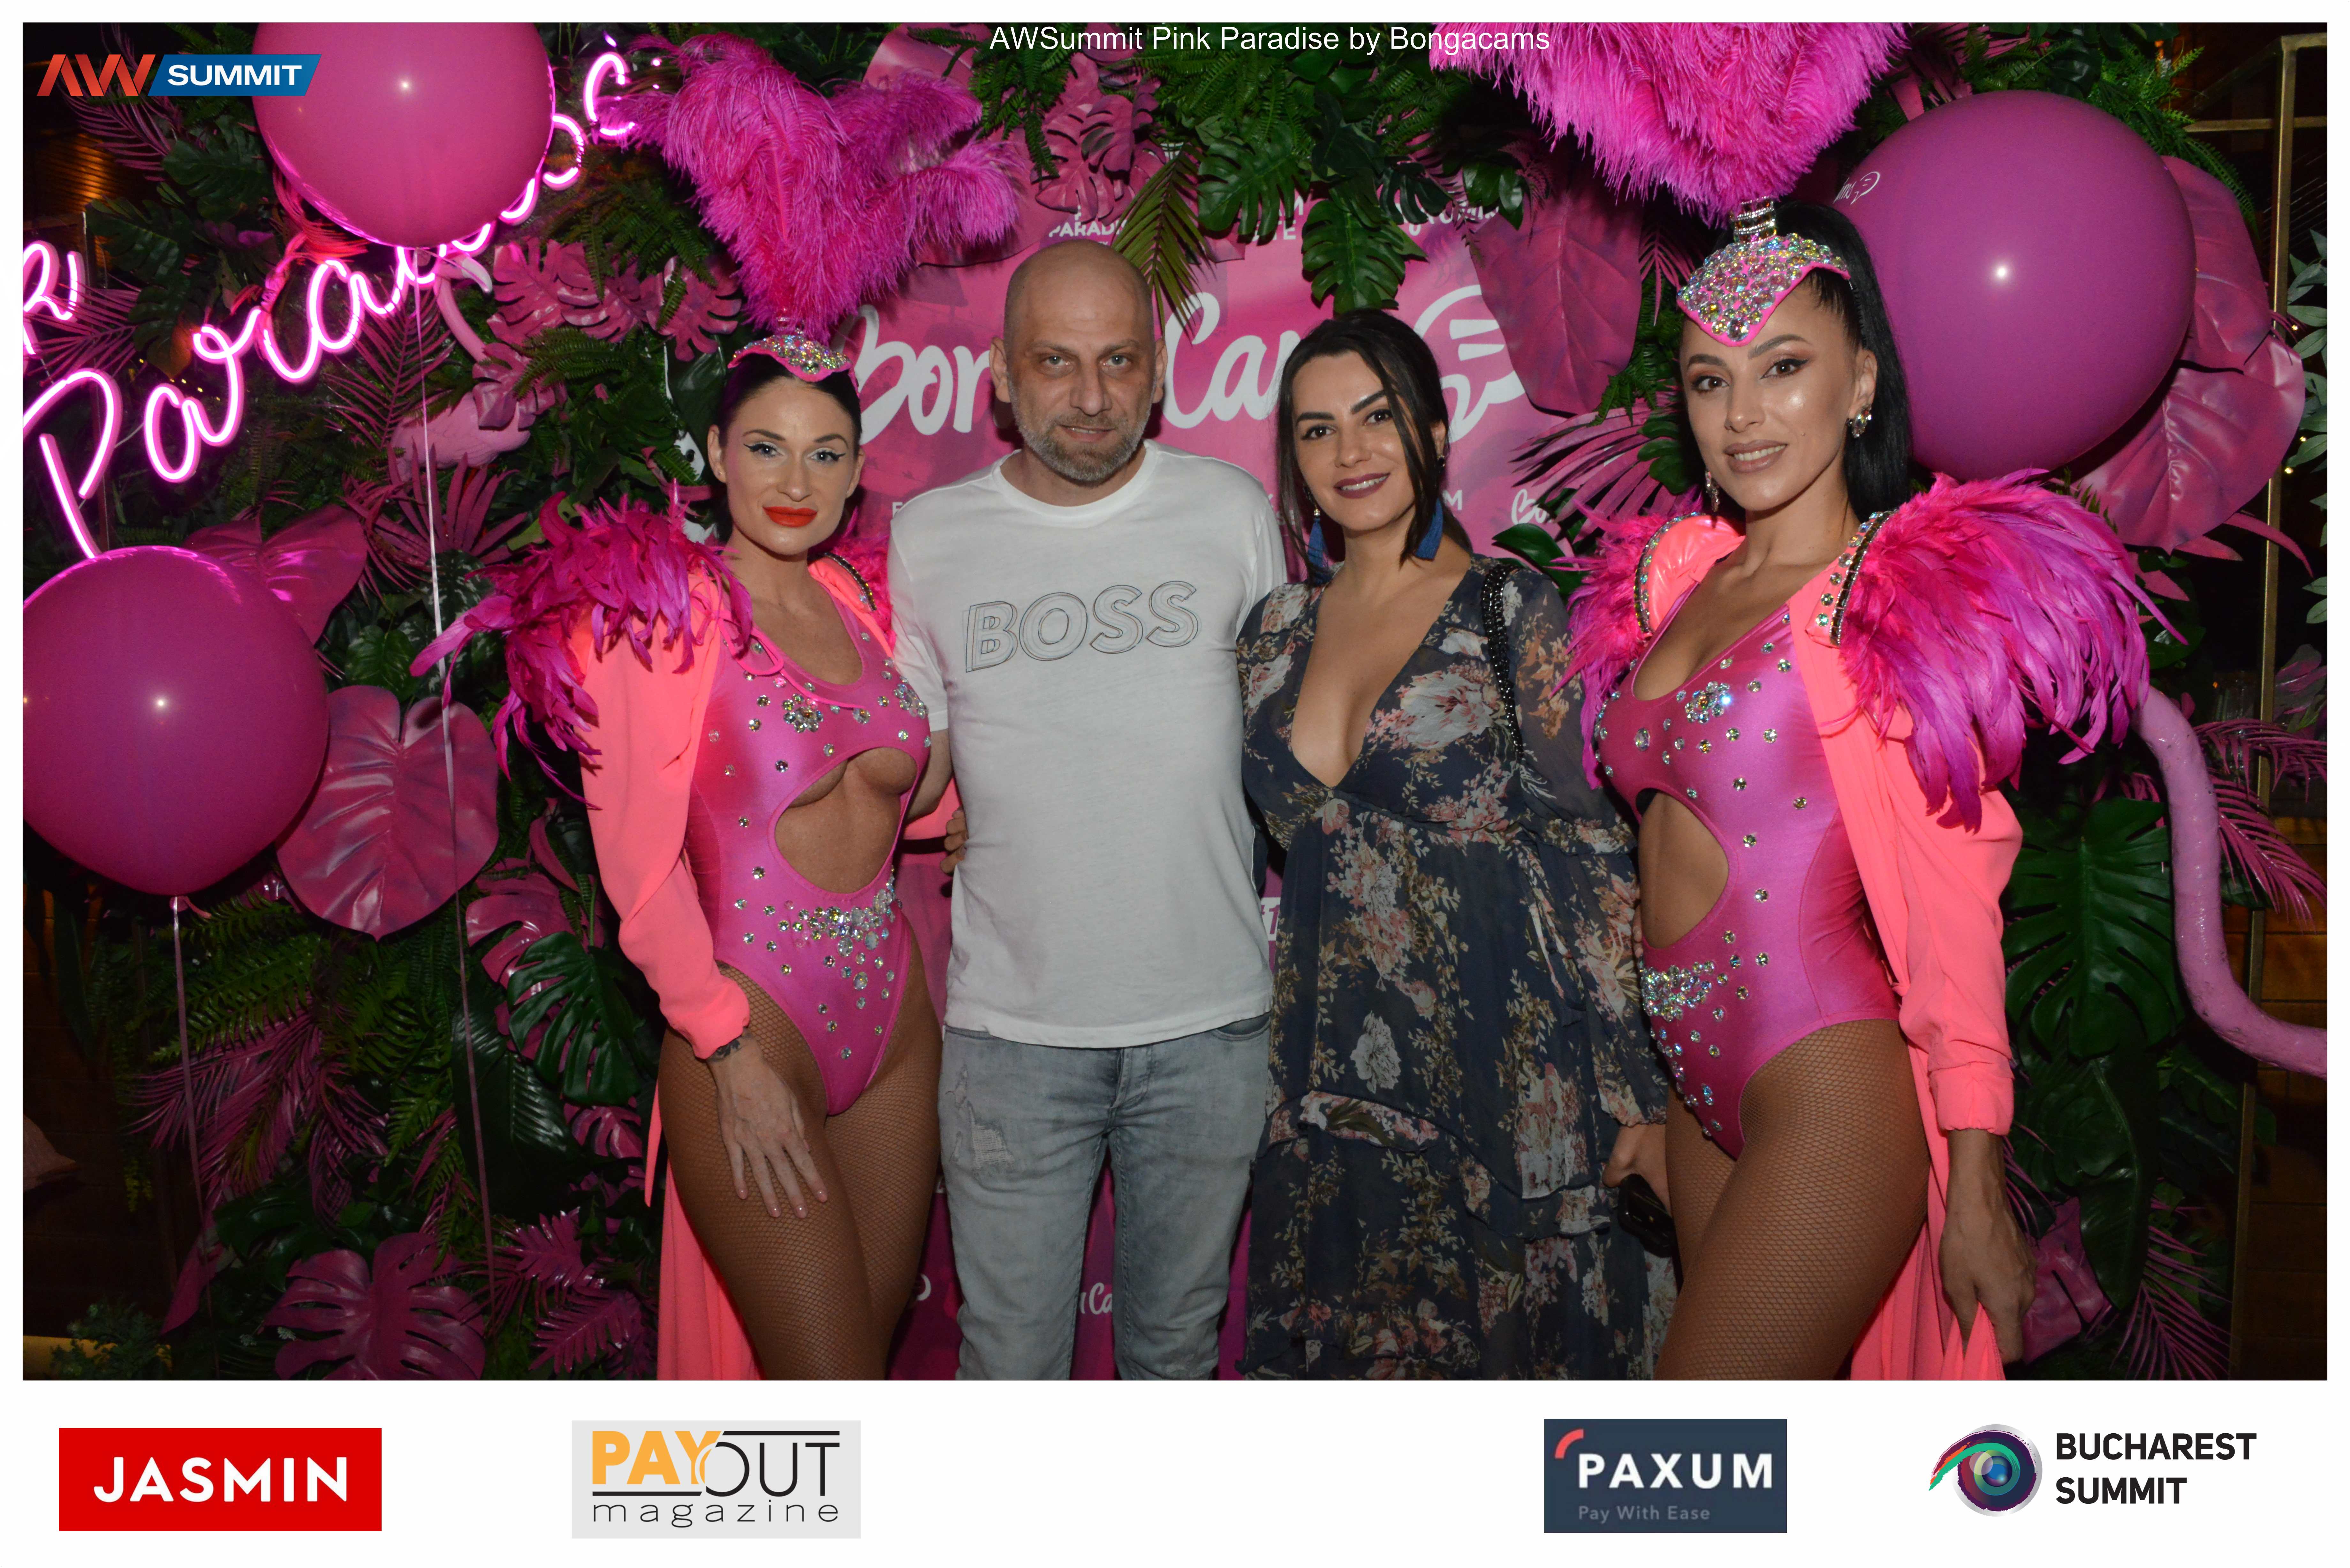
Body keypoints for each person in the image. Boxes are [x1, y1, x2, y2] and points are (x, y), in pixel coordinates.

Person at [1564, 202, 2153, 1377]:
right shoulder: (1679, 582)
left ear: (1862, 384)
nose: (1744, 415)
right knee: (1775, 1460)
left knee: (1689, 1443)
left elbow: (1952, 905)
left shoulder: (1892, 600)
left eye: (1784, 368)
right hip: (1697, 1092)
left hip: (1827, 1088)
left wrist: (1976, 1181)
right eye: (1711, 381)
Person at [441, 340, 955, 1377]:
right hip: (753, 1023)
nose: (795, 480)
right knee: (827, 1385)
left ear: (858, 473)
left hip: (894, 1024)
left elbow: (914, 803)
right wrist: (727, 1052)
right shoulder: (659, 613)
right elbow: (637, 864)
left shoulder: (863, 608)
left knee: (867, 1373)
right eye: (767, 447)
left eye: (825, 454)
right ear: (718, 453)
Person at [1235, 310, 1674, 1378]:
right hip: (1336, 1077)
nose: (1350, 452)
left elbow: (1596, 858)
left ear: (1433, 430)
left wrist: (1645, 1097)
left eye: (1378, 417)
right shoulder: (1272, 632)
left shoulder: (1506, 608)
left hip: (1506, 1066)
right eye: (1318, 429)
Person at [886, 240, 1283, 1379]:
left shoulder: (1231, 511)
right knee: (1010, 1369)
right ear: (1002, 378)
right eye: (1056, 363)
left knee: (1174, 1360)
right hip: (1013, 1037)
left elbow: (1295, 737)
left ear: (1159, 373)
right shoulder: (930, 538)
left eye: (1119, 361)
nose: (1094, 396)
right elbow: (910, 769)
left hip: (1210, 1023)